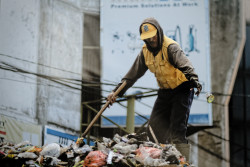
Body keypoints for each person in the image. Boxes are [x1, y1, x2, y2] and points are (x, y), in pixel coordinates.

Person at [107, 17, 202, 144]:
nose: (151, 40)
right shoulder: (145, 52)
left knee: (177, 130)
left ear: (159, 32)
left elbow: (185, 64)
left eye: (153, 36)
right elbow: (131, 75)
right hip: (165, 91)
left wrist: (194, 79)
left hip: (182, 89)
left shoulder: (170, 47)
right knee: (153, 129)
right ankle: (157, 158)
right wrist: (115, 92)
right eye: (148, 37)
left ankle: (180, 162)